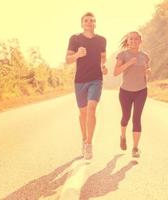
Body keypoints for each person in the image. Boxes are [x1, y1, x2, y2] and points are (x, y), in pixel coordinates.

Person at [66, 12, 107, 160]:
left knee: (91, 108)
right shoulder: (75, 39)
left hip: (96, 79)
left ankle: (89, 144)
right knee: (83, 113)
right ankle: (84, 139)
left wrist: (104, 66)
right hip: (80, 81)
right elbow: (68, 60)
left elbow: (103, 58)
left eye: (92, 20)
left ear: (95, 23)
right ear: (82, 23)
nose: (89, 22)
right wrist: (77, 55)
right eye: (86, 20)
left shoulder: (102, 40)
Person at [113, 31, 151, 158]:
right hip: (125, 91)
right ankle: (123, 137)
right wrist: (129, 63)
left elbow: (147, 70)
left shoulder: (145, 56)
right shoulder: (122, 55)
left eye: (136, 39)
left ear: (140, 41)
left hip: (141, 90)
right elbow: (116, 72)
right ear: (127, 41)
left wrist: (148, 71)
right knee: (126, 117)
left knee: (137, 118)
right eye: (131, 39)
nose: (134, 41)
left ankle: (135, 148)